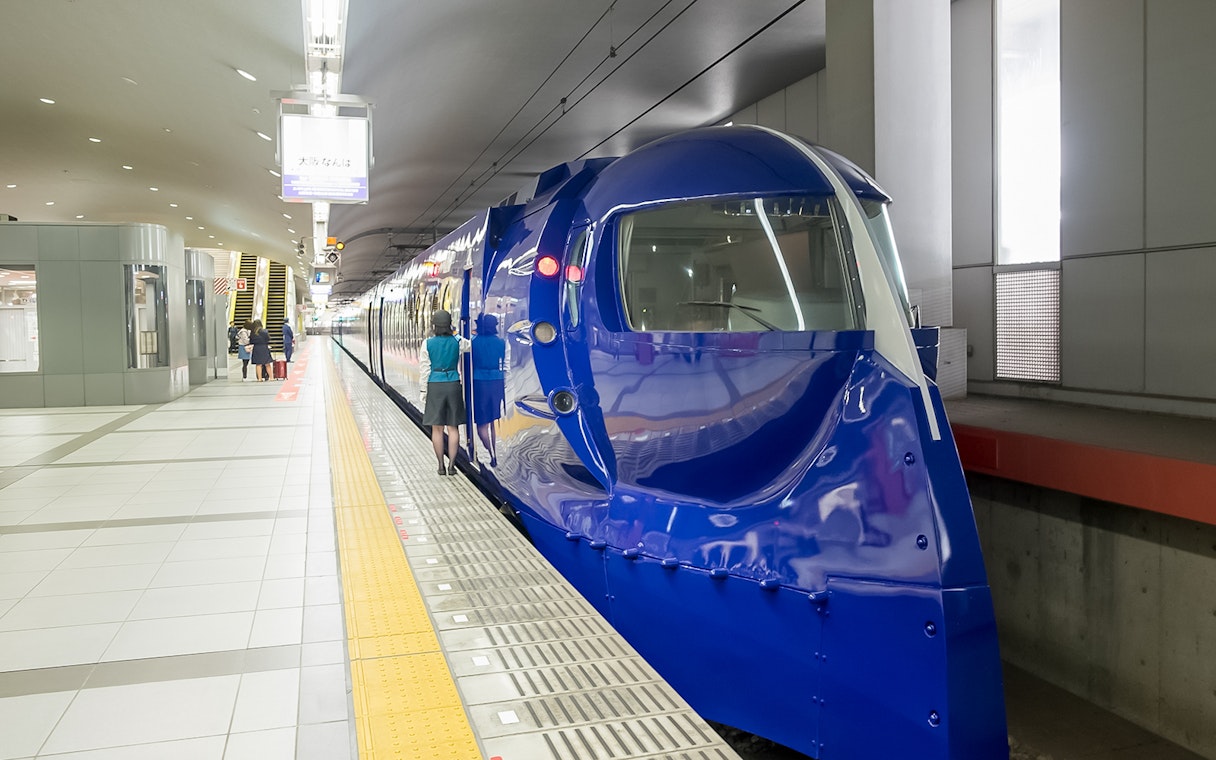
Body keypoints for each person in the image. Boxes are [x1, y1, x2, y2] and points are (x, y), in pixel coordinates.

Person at [420, 309, 470, 476]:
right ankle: (452, 466)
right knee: (453, 427)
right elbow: (471, 346)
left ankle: (441, 465)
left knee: (437, 429)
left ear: (434, 325)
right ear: (449, 325)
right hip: (453, 384)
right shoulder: (458, 341)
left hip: (435, 385)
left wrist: (423, 391)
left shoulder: (427, 344)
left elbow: (424, 370)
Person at [471, 313, 506, 467]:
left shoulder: (473, 342)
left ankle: (490, 452)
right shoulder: (501, 343)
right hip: (497, 382)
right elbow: (506, 364)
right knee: (493, 420)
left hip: (479, 382)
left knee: (482, 424)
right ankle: (495, 454)